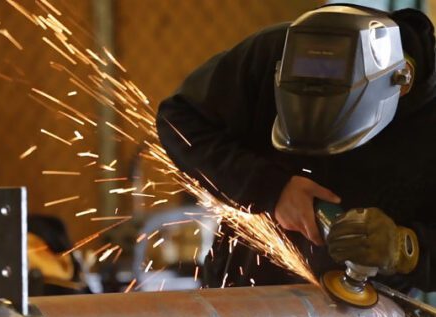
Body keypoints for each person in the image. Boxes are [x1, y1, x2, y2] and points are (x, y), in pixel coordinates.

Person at [156, 4, 436, 293]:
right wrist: (271, 189)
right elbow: (179, 119)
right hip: (247, 296)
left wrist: (405, 248)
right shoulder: (277, 51)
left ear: (399, 84)